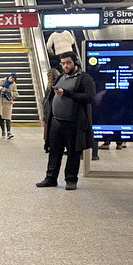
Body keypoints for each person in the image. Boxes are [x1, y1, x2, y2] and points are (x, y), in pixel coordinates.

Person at [37, 51, 96, 191]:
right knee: (54, 151)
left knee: (73, 152)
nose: (65, 66)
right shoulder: (61, 78)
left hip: (74, 123)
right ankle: (50, 178)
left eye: (68, 63)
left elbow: (89, 97)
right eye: (63, 63)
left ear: (75, 62)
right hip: (57, 122)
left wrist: (67, 93)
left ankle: (71, 179)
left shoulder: (84, 78)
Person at [0, 72, 20, 139]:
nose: (11, 80)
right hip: (0, 102)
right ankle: (3, 131)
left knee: (8, 118)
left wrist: (9, 92)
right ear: (9, 77)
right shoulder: (2, 81)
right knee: (1, 117)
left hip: (7, 102)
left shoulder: (13, 85)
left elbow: (16, 94)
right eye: (11, 78)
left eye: (13, 79)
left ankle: (9, 132)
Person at [41, 68, 60, 152]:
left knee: (48, 127)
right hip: (56, 109)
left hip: (49, 109)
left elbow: (46, 100)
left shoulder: (50, 86)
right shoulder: (60, 84)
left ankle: (47, 144)